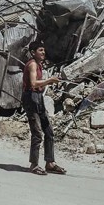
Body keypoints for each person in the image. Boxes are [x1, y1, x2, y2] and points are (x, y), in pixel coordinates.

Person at [22, 41, 66, 175]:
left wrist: (50, 81)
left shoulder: (38, 65)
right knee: (37, 133)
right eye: (40, 50)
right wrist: (50, 80)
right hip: (31, 99)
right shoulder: (33, 64)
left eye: (43, 50)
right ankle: (34, 164)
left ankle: (50, 162)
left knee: (49, 131)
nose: (43, 52)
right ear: (33, 52)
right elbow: (34, 83)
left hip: (38, 97)